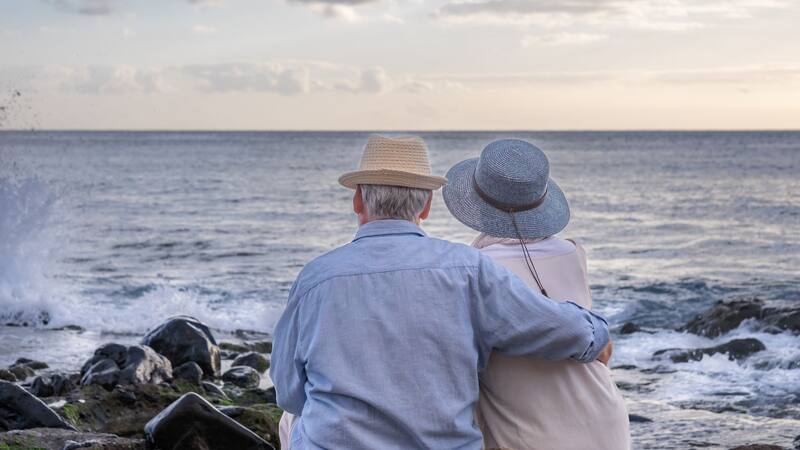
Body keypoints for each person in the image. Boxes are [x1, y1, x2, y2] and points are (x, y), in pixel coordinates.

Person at [270, 134, 613, 450]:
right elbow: (553, 326)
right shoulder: (467, 269)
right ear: (426, 206)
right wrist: (596, 334)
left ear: (358, 200)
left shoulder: (315, 278)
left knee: (295, 423)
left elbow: (289, 391)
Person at [442, 138, 631, 450]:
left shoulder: (473, 271)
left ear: (478, 201)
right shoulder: (572, 253)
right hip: (604, 420)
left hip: (532, 434)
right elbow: (600, 346)